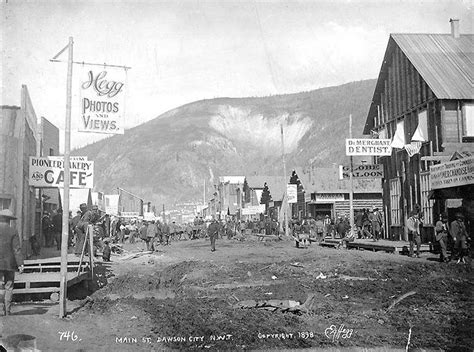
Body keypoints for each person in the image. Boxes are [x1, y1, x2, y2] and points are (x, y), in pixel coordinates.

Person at [0, 209, 24, 316]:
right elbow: (16, 249)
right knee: (9, 287)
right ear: (9, 220)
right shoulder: (13, 231)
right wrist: (20, 264)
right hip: (10, 263)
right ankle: (7, 311)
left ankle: (0, 310)